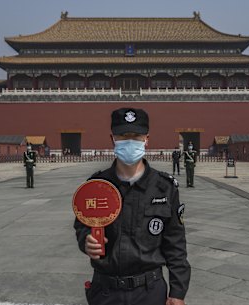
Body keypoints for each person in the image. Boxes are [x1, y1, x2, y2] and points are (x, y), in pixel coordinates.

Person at [74, 108, 190, 305]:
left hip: (150, 290)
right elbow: (82, 224)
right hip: (105, 289)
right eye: (123, 136)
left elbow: (175, 243)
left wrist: (178, 292)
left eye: (136, 136)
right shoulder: (96, 186)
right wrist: (86, 241)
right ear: (113, 139)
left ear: (146, 139)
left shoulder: (164, 187)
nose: (129, 141)